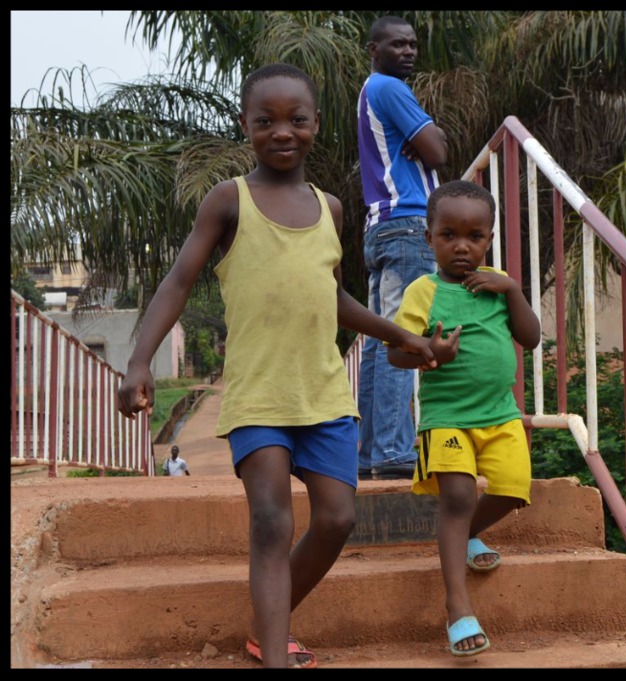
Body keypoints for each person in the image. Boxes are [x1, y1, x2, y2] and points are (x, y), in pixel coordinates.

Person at [116, 63, 441, 669]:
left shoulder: (331, 209)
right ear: (246, 125)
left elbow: (335, 298)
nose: (282, 132)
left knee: (338, 519)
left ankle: (268, 622)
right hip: (260, 394)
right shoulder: (228, 201)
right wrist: (139, 362)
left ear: (316, 124)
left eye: (297, 119)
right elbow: (180, 281)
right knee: (270, 518)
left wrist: (401, 334)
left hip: (321, 393)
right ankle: (273, 652)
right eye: (266, 121)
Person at [387, 180, 541, 657]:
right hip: (446, 416)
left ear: (489, 239)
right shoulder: (422, 290)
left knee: (515, 490)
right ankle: (458, 608)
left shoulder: (497, 285)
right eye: (448, 235)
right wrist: (430, 353)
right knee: (456, 495)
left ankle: (471, 532)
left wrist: (512, 288)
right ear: (428, 238)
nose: (462, 246)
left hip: (500, 415)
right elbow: (396, 354)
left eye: (474, 236)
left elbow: (531, 337)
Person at [356, 15, 448, 481]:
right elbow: (438, 150)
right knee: (398, 338)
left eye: (413, 45)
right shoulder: (389, 88)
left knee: (378, 342)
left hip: (383, 225)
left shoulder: (371, 91)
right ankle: (393, 451)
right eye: (397, 44)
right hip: (408, 222)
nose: (408, 52)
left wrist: (425, 141)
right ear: (374, 48)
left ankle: (373, 451)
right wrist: (430, 136)